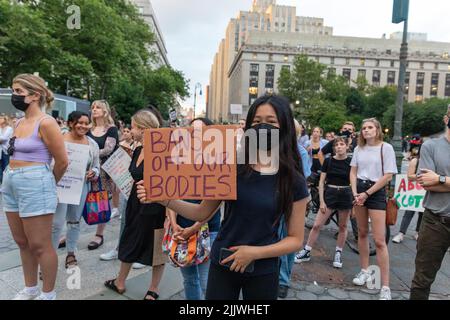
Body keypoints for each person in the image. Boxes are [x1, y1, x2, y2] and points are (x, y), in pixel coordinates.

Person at [137, 95, 309, 300]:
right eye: (257, 121)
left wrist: (254, 253)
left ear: (285, 126)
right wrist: (162, 198)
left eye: (271, 122)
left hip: (264, 269)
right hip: (223, 263)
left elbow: (295, 240)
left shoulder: (293, 180)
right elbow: (201, 211)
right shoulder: (231, 167)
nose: (263, 127)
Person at [2, 74, 68, 300]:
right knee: (22, 242)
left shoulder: (46, 123)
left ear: (34, 95)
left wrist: (48, 184)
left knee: (40, 245)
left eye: (19, 91)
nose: (14, 95)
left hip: (35, 182)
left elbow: (62, 162)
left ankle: (48, 293)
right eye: (14, 90)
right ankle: (30, 288)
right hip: (11, 180)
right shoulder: (19, 122)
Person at [104, 109, 167, 300]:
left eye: (132, 127)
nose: (130, 131)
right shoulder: (138, 149)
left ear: (143, 128)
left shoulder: (161, 150)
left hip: (155, 206)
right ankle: (120, 282)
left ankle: (153, 289)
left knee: (156, 247)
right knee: (129, 240)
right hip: (135, 203)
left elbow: (167, 183)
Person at [167, 117, 222, 300]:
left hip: (207, 229)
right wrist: (174, 225)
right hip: (181, 230)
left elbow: (214, 205)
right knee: (189, 280)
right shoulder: (178, 159)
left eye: (202, 130)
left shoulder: (218, 163)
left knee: (207, 281)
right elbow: (171, 195)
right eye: (192, 130)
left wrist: (194, 228)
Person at [350, 118, 397, 300]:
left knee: (379, 240)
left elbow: (388, 175)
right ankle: (365, 271)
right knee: (361, 233)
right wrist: (355, 193)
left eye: (370, 127)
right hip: (359, 191)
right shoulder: (358, 149)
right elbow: (353, 171)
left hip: (375, 192)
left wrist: (366, 194)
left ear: (377, 130)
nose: (366, 131)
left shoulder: (386, 148)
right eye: (363, 128)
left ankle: (385, 286)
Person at [51, 111, 100, 268]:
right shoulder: (59, 139)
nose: (83, 126)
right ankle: (49, 259)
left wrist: (94, 173)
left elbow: (96, 165)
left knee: (74, 221)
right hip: (59, 186)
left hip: (80, 187)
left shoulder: (92, 144)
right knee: (56, 224)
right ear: (71, 123)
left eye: (87, 123)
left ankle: (71, 253)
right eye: (80, 122)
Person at [295, 137, 353, 269]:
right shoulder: (328, 161)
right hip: (330, 193)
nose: (339, 147)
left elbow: (354, 180)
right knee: (317, 225)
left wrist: (354, 201)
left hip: (345, 194)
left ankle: (338, 253)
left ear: (346, 147)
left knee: (343, 226)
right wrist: (322, 201)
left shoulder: (351, 162)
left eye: (341, 144)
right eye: (336, 145)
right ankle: (307, 251)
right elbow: (321, 182)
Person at [410, 114, 450, 300]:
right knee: (422, 280)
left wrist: (441, 179)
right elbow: (427, 184)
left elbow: (435, 181)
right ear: (446, 118)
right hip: (436, 222)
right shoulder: (431, 146)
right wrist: (434, 181)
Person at [278, 119, 311, 299]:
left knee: (289, 239)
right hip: (276, 199)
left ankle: (283, 280)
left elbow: (303, 177)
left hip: (292, 201)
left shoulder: (301, 152)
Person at [86, 100, 119, 250]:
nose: (94, 110)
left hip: (104, 171)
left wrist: (90, 154)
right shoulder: (88, 128)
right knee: (81, 198)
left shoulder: (111, 129)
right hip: (85, 169)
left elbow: (108, 149)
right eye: (93, 107)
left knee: (101, 200)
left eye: (98, 107)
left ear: (105, 111)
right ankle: (70, 232)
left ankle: (99, 234)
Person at [392, 147, 423, 243]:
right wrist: (423, 176)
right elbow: (409, 176)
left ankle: (418, 232)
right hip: (414, 191)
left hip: (426, 190)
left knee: (423, 213)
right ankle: (401, 233)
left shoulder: (433, 161)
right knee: (409, 212)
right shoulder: (415, 161)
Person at [0, 114, 14, 188]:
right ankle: (2, 184)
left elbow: (4, 138)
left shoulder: (9, 128)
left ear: (4, 120)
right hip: (0, 151)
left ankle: (6, 184)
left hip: (5, 151)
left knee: (5, 167)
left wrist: (1, 139)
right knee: (0, 168)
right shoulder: (0, 128)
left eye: (1, 118)